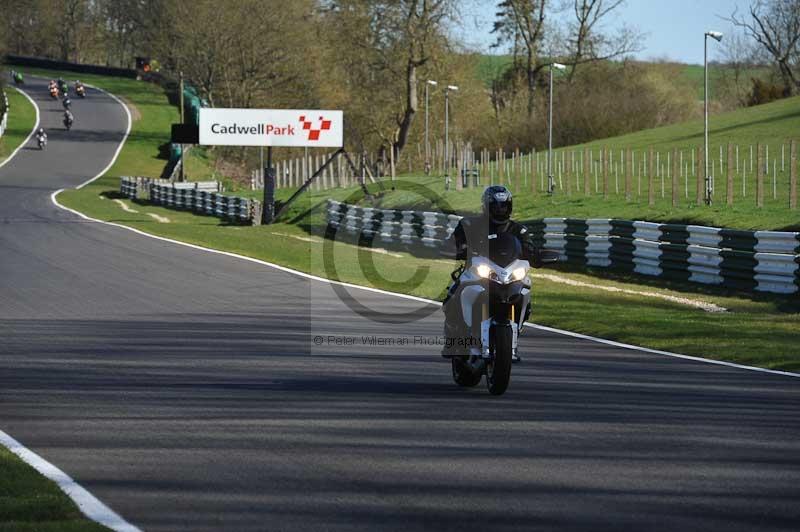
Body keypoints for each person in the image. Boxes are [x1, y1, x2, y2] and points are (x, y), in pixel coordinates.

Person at [442, 185, 542, 361]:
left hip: (509, 273)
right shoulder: (469, 224)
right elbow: (452, 243)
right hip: (476, 270)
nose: (500, 210)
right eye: (496, 206)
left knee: (524, 290)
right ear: (486, 206)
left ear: (510, 207)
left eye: (504, 206)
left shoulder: (518, 230)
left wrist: (537, 257)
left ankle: (513, 335)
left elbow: (529, 248)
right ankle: (454, 340)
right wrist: (455, 248)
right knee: (452, 295)